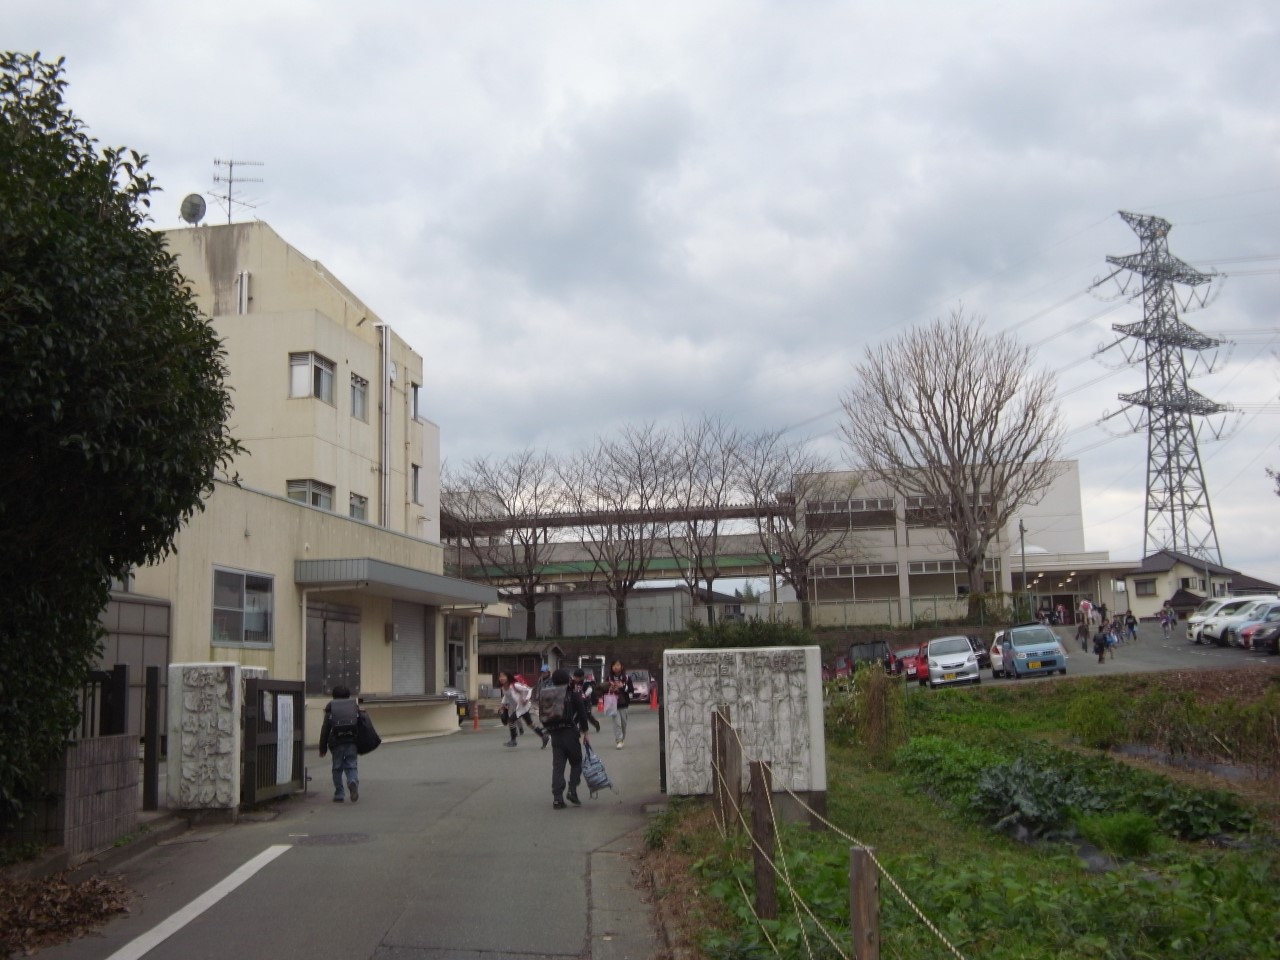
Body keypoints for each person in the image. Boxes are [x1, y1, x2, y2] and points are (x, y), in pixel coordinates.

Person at [540, 668, 591, 808]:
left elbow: (543, 716)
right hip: (570, 732)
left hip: (555, 734)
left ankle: (557, 798)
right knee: (576, 762)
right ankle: (572, 790)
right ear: (567, 679)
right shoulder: (572, 693)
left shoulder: (547, 694)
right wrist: (586, 734)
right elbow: (582, 714)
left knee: (558, 766)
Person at [318, 685, 360, 803]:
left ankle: (339, 794)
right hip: (352, 741)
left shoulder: (331, 708)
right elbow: (360, 724)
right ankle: (352, 781)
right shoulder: (354, 707)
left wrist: (322, 748)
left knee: (337, 768)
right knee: (351, 765)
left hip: (336, 742)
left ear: (334, 696)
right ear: (348, 695)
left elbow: (325, 729)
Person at [497, 671, 548, 748]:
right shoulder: (504, 687)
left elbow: (529, 689)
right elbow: (506, 696)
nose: (501, 678)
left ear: (508, 677)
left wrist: (526, 699)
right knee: (530, 724)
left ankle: (513, 740)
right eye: (500, 676)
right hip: (517, 708)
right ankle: (544, 736)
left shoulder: (515, 685)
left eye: (503, 676)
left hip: (522, 707)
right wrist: (502, 705)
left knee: (511, 720)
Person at [604, 660, 636, 749]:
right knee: (617, 723)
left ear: (621, 667)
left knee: (623, 724)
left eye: (617, 665)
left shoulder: (626, 678)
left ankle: (622, 739)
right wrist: (610, 688)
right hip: (613, 704)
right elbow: (603, 689)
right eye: (614, 665)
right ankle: (619, 740)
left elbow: (631, 690)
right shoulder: (609, 678)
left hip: (624, 704)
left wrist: (623, 686)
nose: (615, 667)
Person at [571, 667, 602, 734]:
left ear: (582, 677)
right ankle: (577, 728)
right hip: (576, 702)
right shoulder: (572, 683)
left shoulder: (585, 683)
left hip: (586, 702)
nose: (576, 679)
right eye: (575, 677)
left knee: (587, 715)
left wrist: (584, 695)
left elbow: (590, 689)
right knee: (577, 715)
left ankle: (596, 723)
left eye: (577, 677)